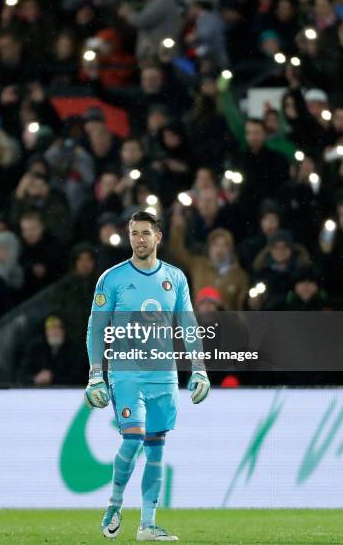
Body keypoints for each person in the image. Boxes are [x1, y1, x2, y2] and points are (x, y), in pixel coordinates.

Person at [85, 210, 210, 541]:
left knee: (156, 447)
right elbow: (96, 328)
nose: (138, 239)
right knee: (134, 437)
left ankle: (148, 524)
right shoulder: (111, 279)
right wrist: (95, 374)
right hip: (126, 373)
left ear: (158, 237)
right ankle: (114, 503)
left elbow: (188, 325)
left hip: (164, 376)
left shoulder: (176, 278)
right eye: (133, 233)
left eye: (145, 233)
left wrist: (199, 369)